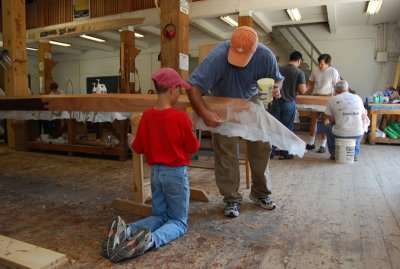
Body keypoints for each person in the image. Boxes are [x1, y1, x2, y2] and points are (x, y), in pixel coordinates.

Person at [101, 67, 199, 263]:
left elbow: (137, 147)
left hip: (155, 173)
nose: (179, 93)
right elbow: (193, 147)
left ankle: (127, 230)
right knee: (178, 222)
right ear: (171, 89)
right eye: (179, 89)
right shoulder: (180, 117)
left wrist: (131, 139)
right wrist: (193, 126)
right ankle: (151, 241)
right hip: (176, 174)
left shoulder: (146, 116)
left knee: (160, 215)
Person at [187, 26, 284, 218]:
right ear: (230, 45)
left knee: (262, 146)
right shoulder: (217, 57)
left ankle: (260, 193)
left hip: (251, 101)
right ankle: (231, 198)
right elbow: (192, 87)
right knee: (226, 151)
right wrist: (205, 113)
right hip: (222, 101)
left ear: (255, 49)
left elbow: (278, 80)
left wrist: (276, 89)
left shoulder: (266, 56)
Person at [270, 51, 306, 160]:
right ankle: (284, 153)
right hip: (289, 103)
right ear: (299, 60)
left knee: (274, 128)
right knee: (287, 129)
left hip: (276, 102)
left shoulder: (279, 69)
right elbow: (302, 90)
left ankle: (270, 152)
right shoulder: (299, 72)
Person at [324, 80, 367, 161]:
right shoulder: (357, 98)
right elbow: (364, 117)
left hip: (340, 133)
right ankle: (355, 153)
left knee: (327, 127)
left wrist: (341, 119)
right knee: (359, 124)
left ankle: (334, 152)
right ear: (348, 89)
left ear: (336, 91)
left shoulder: (332, 99)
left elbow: (331, 120)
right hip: (358, 133)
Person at [305, 53, 340, 153]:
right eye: (319, 63)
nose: (320, 66)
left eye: (322, 64)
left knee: (325, 123)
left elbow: (337, 86)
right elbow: (311, 82)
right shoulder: (315, 70)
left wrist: (336, 100)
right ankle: (311, 143)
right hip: (315, 96)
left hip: (327, 98)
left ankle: (323, 144)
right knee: (313, 121)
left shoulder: (333, 72)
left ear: (328, 63)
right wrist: (303, 90)